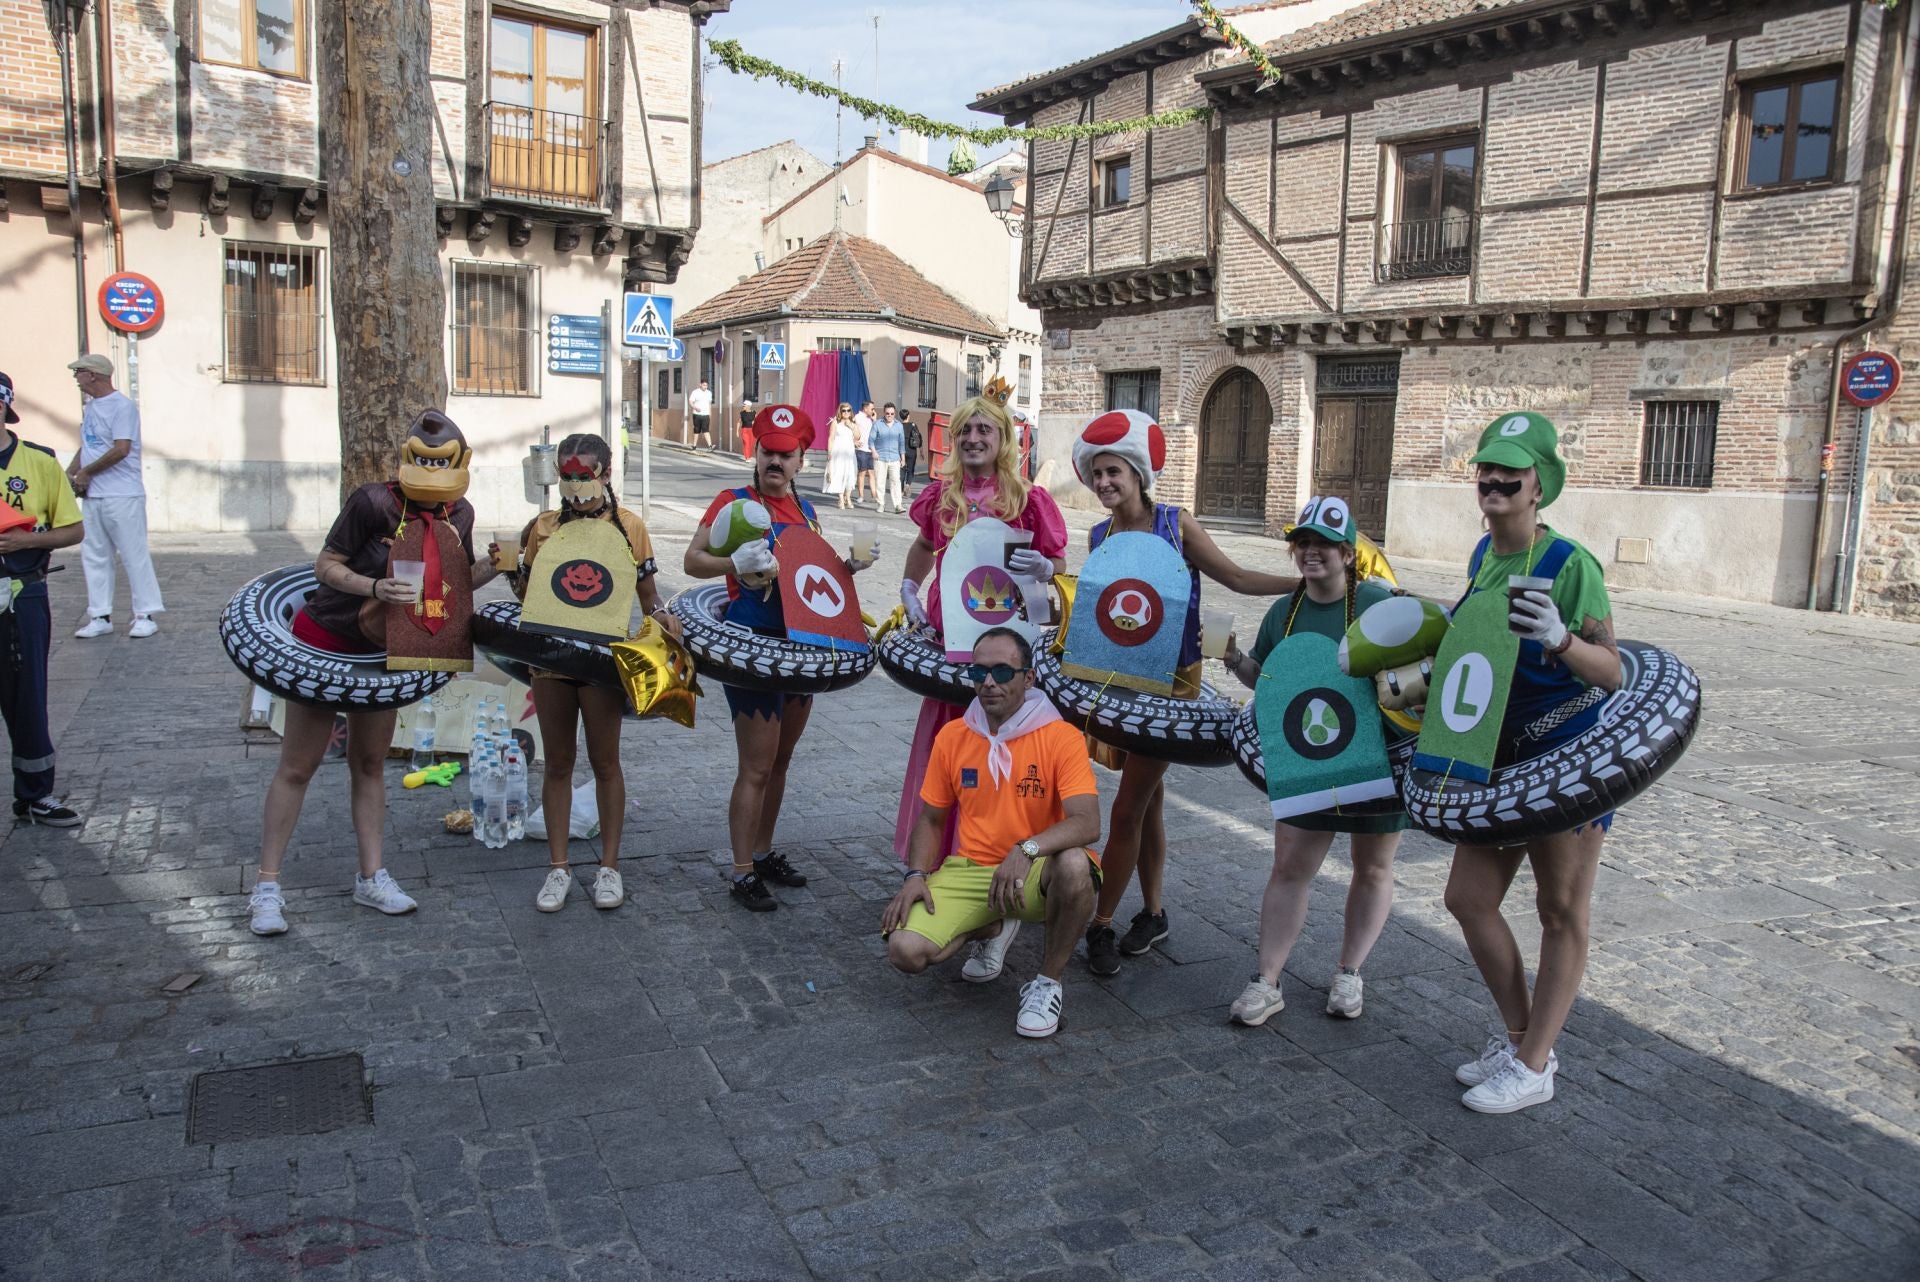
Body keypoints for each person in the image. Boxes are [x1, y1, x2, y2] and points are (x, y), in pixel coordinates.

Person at [247, 410, 500, 936]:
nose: (433, 479)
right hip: (329, 639)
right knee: (298, 765)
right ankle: (266, 887)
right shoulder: (372, 502)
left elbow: (452, 585)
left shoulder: (461, 513)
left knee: (369, 763)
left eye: (443, 468)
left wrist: (495, 566)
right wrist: (373, 586)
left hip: (387, 649)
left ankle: (371, 877)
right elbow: (325, 565)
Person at [1070, 411, 1299, 976]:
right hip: (1120, 681)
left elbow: (1237, 578)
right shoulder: (1099, 536)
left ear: (1137, 473)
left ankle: (1100, 923)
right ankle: (1153, 913)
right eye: (1097, 473)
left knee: (1127, 806)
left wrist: (1306, 584)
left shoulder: (1175, 525)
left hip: (1172, 683)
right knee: (1147, 801)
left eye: (1114, 471)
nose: (1104, 482)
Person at [1440, 412, 1621, 1114]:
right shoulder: (1482, 555)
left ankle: (1536, 1064)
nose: (1493, 479)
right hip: (1495, 752)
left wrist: (1560, 638)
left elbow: (1612, 670)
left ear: (1539, 485)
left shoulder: (1571, 564)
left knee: (1560, 908)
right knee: (1467, 898)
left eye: (1509, 471)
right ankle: (1519, 1038)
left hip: (1565, 755)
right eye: (1486, 468)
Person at [1217, 495, 1406, 1025]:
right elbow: (1266, 680)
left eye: (1324, 543)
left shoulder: (1379, 604)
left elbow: (1417, 670)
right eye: (1302, 542)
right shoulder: (1285, 611)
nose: (1311, 552)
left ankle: (1349, 973)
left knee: (1373, 866)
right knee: (1289, 867)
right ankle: (1267, 981)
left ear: (1348, 554)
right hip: (1307, 756)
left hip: (1378, 754)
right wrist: (1234, 658)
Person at [685, 405, 876, 911]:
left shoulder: (807, 512)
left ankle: (763, 852)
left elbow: (814, 580)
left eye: (786, 455)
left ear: (800, 461)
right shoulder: (733, 502)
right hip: (751, 645)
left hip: (799, 643)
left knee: (781, 760)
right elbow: (692, 561)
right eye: (768, 451)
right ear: (757, 453)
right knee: (756, 765)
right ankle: (741, 871)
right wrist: (732, 563)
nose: (776, 461)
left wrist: (850, 566)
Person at [881, 628, 1101, 1038]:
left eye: (1002, 672)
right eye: (978, 672)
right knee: (905, 952)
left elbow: (1087, 823)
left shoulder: (1062, 737)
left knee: (1075, 864)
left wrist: (1027, 848)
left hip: (1036, 871)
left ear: (1028, 678)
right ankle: (995, 926)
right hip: (972, 870)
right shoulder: (953, 735)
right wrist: (914, 875)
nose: (988, 683)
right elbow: (930, 819)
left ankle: (1047, 983)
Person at [509, 433, 680, 914]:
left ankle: (610, 867)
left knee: (606, 763)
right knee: (558, 764)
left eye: (584, 474)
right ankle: (558, 868)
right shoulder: (543, 527)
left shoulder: (630, 527)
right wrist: (511, 568)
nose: (575, 484)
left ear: (606, 474)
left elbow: (648, 596)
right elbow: (530, 596)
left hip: (602, 659)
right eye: (566, 475)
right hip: (550, 660)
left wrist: (664, 620)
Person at [893, 392, 1067, 863]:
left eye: (984, 429)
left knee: (1002, 751)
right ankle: (937, 858)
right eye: (965, 431)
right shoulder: (941, 497)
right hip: (950, 646)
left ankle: (994, 856)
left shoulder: (1027, 499)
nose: (973, 439)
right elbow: (924, 546)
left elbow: (1057, 562)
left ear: (1003, 439)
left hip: (1006, 654)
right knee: (950, 751)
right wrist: (909, 588)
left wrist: (1046, 569)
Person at [0, 372, 86, 827]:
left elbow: (74, 530)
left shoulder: (40, 462)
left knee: (27, 697)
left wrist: (25, 542)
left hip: (22, 592)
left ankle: (35, 795)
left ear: (4, 406)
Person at [65, 354, 164, 639]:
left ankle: (145, 614)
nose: (76, 378)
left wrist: (87, 472)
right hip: (94, 495)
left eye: (78, 372)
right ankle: (99, 615)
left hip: (122, 494)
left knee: (134, 554)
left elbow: (121, 449)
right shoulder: (91, 407)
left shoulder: (122, 407)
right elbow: (88, 444)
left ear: (93, 375)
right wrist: (71, 471)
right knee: (94, 555)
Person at [870, 403, 907, 514]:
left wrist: (903, 458)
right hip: (880, 458)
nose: (889, 415)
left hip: (895, 458)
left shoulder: (899, 426)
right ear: (884, 413)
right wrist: (874, 452)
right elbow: (871, 440)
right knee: (880, 482)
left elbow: (902, 443)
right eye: (887, 413)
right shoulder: (877, 424)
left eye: (892, 413)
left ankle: (898, 505)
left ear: (895, 414)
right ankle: (881, 504)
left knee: (896, 482)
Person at [824, 403, 857, 509]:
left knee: (850, 475)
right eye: (844, 410)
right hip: (838, 453)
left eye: (848, 410)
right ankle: (841, 499)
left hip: (850, 453)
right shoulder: (835, 422)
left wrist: (851, 426)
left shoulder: (853, 422)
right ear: (840, 412)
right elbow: (831, 438)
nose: (846, 412)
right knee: (839, 474)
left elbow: (858, 436)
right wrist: (829, 452)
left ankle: (848, 498)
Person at [853, 400, 878, 507]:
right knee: (862, 473)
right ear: (865, 408)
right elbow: (850, 428)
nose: (873, 410)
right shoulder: (857, 417)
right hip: (861, 449)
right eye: (872, 408)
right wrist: (854, 441)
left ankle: (874, 495)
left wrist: (874, 420)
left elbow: (876, 431)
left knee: (872, 473)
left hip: (870, 449)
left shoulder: (871, 419)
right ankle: (861, 496)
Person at [688, 379, 714, 449]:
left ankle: (710, 446)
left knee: (706, 430)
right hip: (697, 414)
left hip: (706, 414)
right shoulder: (695, 392)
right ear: (700, 384)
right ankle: (694, 445)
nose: (705, 387)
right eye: (704, 385)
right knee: (697, 430)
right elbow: (690, 401)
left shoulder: (709, 393)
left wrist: (710, 414)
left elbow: (709, 404)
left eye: (706, 385)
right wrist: (695, 407)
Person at [901, 412, 923, 490]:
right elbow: (919, 438)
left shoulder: (899, 426)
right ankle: (908, 485)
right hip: (912, 451)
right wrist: (921, 451)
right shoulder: (913, 425)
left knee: (902, 469)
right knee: (910, 469)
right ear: (908, 416)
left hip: (901, 451)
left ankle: (901, 488)